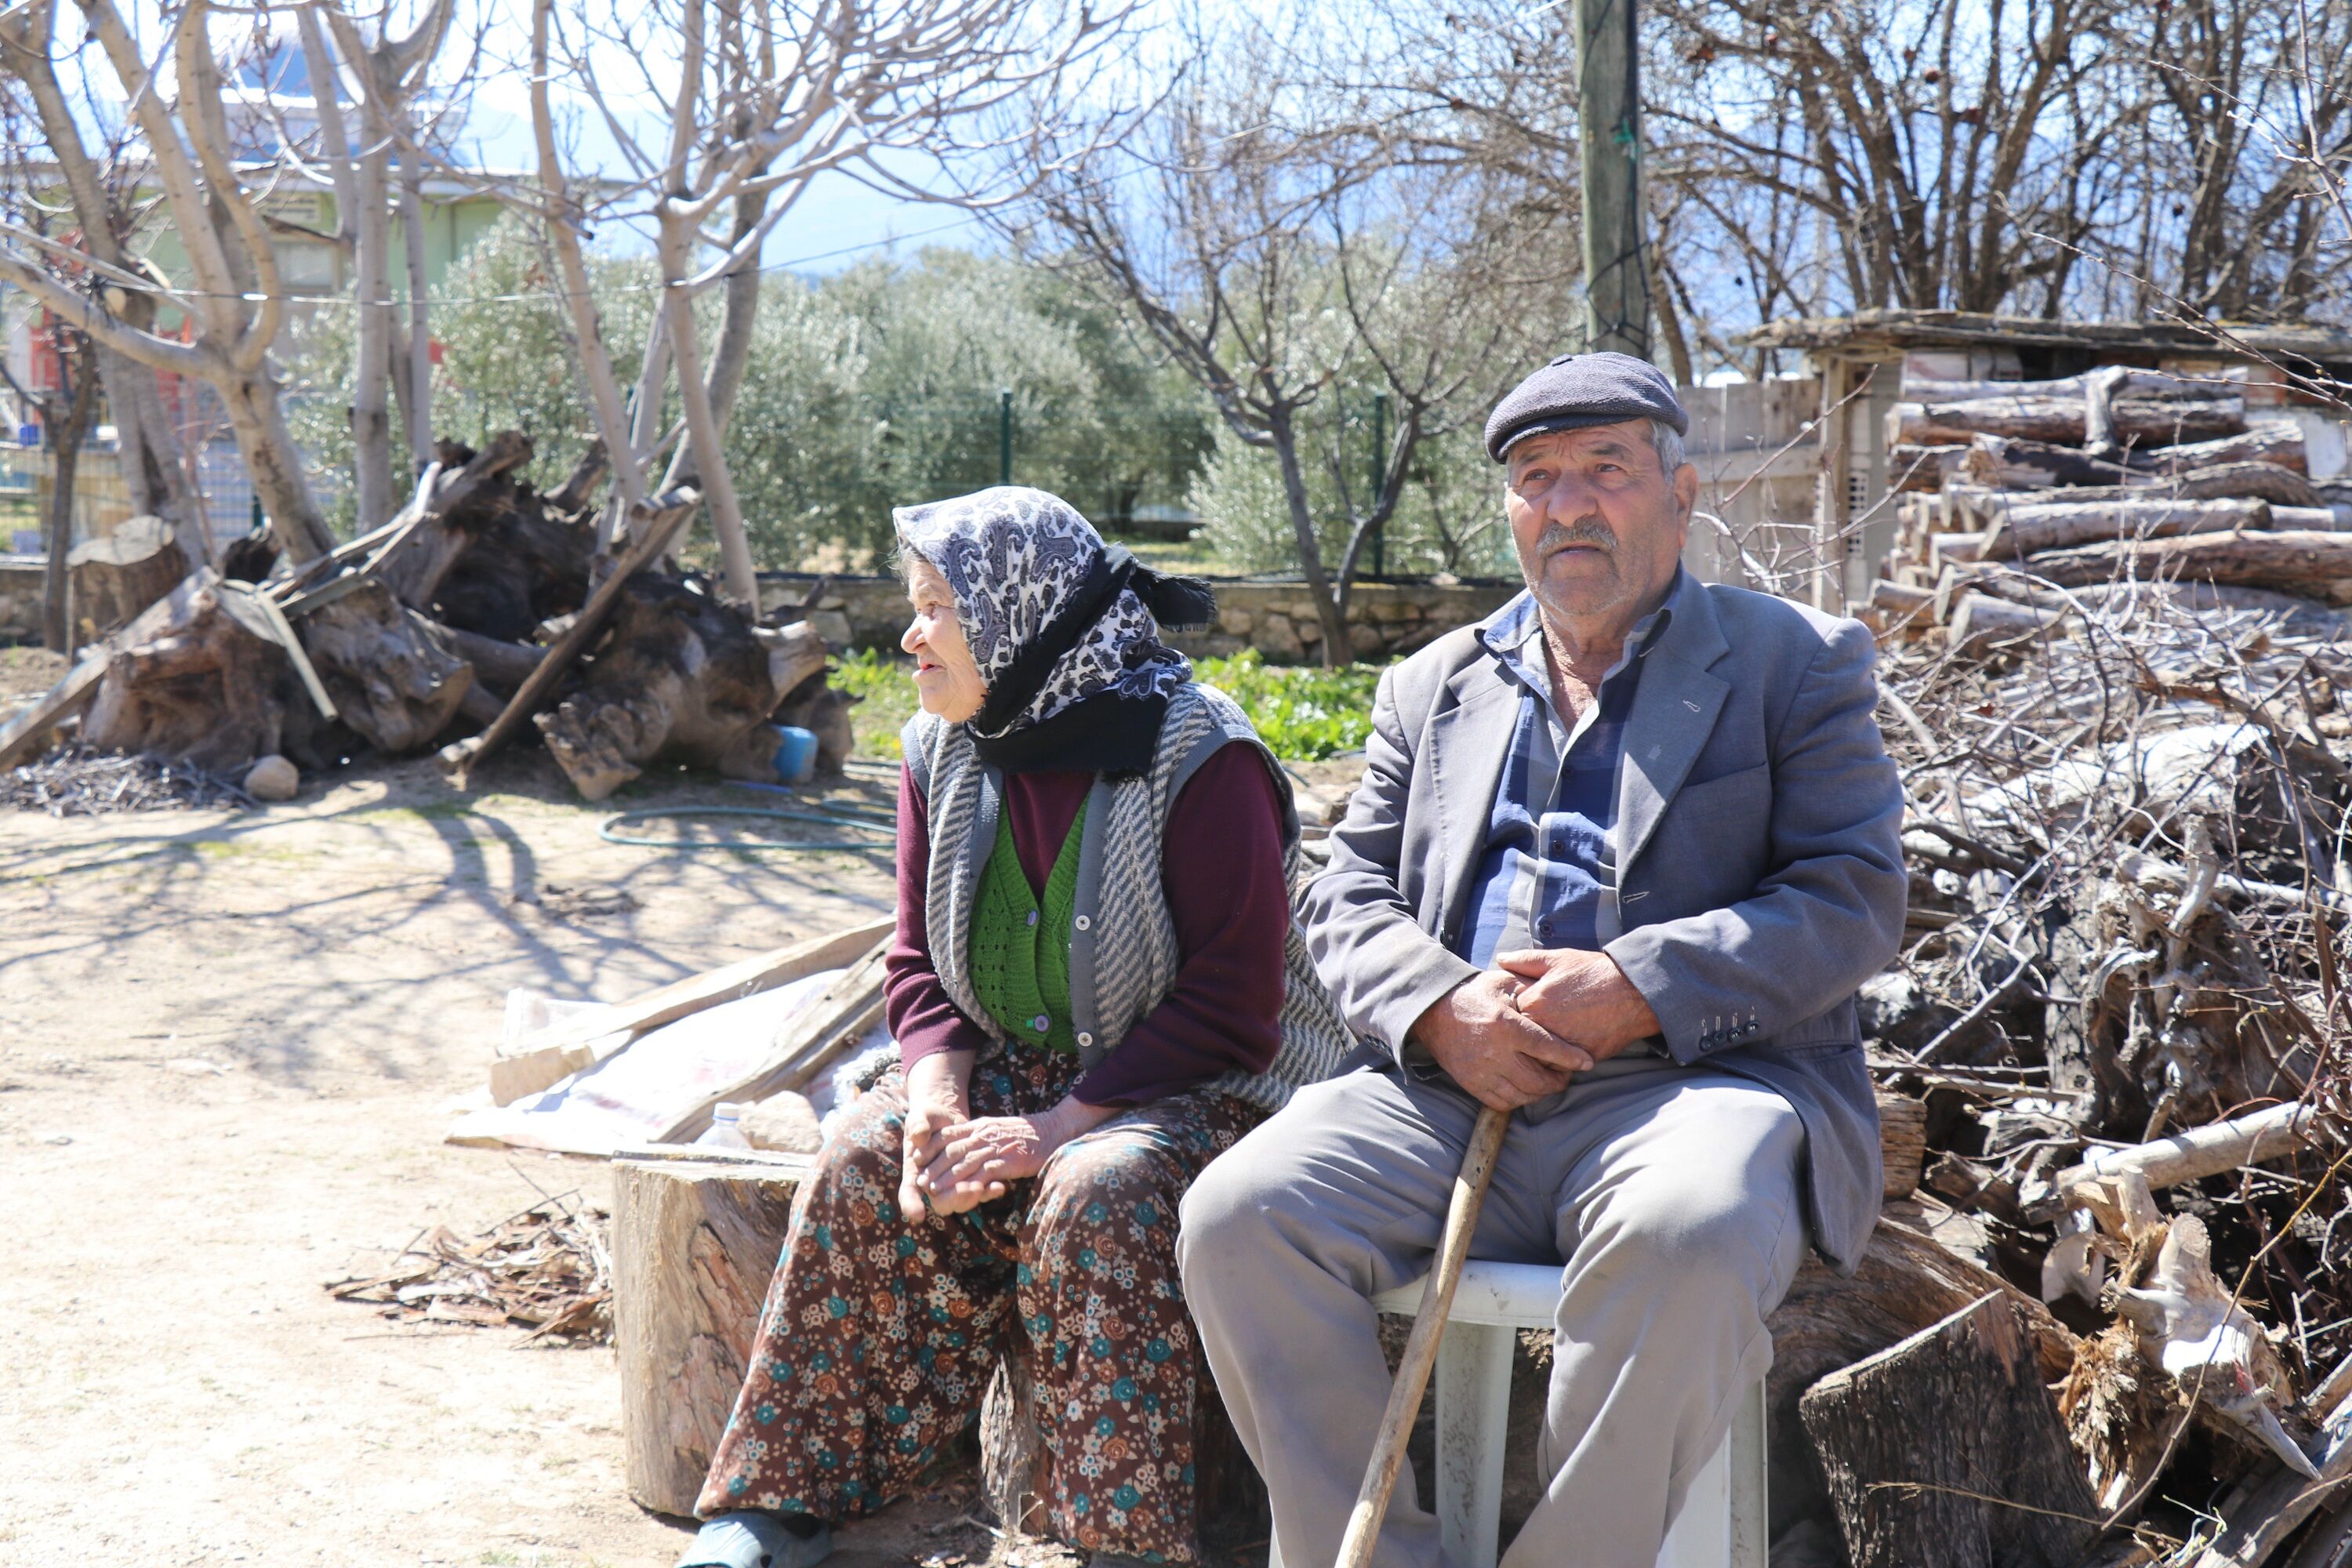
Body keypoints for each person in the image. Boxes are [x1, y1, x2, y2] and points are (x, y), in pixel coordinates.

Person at [1178, 353, 1908, 1566]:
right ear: (1511, 511)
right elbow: (1345, 891)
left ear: (1680, 496)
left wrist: (1636, 989)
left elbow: (1852, 899)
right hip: (1444, 1087)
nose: (1569, 503)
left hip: (1693, 1087)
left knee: (1687, 1230)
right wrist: (1438, 1005)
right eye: (1537, 478)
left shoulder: (1794, 663)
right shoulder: (1433, 685)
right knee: (1238, 1216)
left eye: (1605, 471)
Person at [680, 486, 1353, 1568]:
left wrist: (1055, 1131)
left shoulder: (1198, 755)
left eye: (936, 608)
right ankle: (773, 1504)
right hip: (1026, 1075)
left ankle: (1121, 1545)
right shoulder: (939, 748)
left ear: (1019, 617)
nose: (909, 636)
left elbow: (1235, 1008)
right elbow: (914, 964)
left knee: (1101, 1192)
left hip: (1212, 1086)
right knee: (865, 1155)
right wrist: (940, 1103)